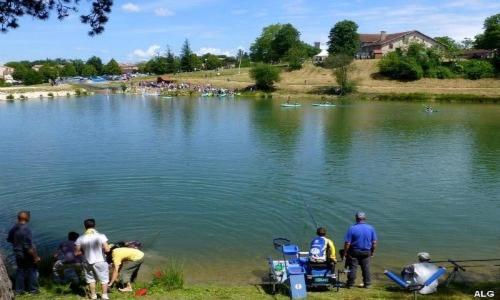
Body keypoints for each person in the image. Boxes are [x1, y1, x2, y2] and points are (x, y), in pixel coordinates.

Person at [75, 219, 111, 300]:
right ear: (94, 226)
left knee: (91, 279)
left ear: (85, 226)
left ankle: (93, 296)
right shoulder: (101, 236)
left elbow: (77, 253)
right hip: (100, 261)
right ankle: (104, 296)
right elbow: (107, 249)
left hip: (87, 261)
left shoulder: (80, 238)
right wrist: (101, 249)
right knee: (104, 279)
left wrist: (84, 251)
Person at [6, 211, 40, 295]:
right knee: (32, 270)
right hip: (26, 254)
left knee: (20, 271)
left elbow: (9, 239)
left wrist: (18, 244)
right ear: (27, 218)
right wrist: (35, 257)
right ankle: (33, 290)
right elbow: (28, 246)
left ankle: (18, 290)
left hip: (17, 253)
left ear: (18, 218)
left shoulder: (14, 228)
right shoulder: (26, 229)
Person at [342, 211, 377, 288]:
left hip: (354, 251)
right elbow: (374, 243)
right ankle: (367, 284)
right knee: (366, 268)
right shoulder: (371, 228)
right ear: (365, 218)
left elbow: (347, 243)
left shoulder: (352, 228)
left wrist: (345, 253)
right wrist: (372, 252)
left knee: (353, 267)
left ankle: (350, 284)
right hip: (366, 251)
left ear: (356, 218)